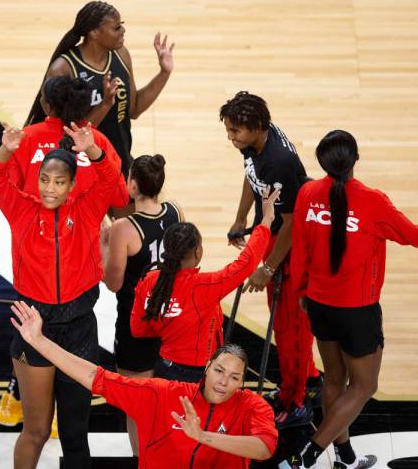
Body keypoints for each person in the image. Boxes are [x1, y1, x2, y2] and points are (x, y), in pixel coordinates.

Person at [0, 75, 128, 430]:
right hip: (79, 256)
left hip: (34, 242)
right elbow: (118, 197)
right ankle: (55, 410)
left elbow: (1, 179)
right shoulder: (94, 140)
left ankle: (21, 392)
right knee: (73, 331)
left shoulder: (28, 137)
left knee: (30, 327)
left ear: (46, 105)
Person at [280, 130, 418, 469]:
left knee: (333, 379)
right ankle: (307, 455)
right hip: (357, 312)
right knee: (364, 385)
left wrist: (300, 293)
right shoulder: (372, 201)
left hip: (317, 305)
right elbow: (412, 236)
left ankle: (345, 457)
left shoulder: (307, 194)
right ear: (355, 160)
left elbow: (298, 253)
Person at [11, 300, 278, 469]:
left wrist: (203, 437)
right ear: (207, 368)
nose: (224, 382)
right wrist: (39, 342)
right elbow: (97, 378)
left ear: (243, 382)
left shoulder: (252, 406)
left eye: (234, 377)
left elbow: (264, 448)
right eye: (220, 370)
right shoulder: (162, 394)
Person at [221, 91, 322, 429]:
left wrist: (267, 267)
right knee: (285, 321)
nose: (231, 138)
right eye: (229, 131)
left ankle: (293, 401)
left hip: (292, 241)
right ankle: (307, 376)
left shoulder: (278, 160)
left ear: (257, 126)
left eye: (236, 131)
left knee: (289, 327)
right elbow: (253, 179)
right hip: (277, 231)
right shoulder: (254, 142)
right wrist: (241, 218)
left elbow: (293, 224)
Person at [131, 188, 279, 385]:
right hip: (199, 376)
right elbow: (247, 262)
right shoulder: (206, 286)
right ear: (198, 252)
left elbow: (138, 329)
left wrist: (172, 323)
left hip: (164, 371)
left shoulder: (148, 281)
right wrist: (266, 220)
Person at [25, 0, 174, 180]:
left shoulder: (122, 55)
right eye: (116, 28)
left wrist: (164, 73)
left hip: (118, 160)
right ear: (94, 33)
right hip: (79, 168)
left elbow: (134, 109)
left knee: (130, 208)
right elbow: (62, 135)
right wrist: (104, 104)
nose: (123, 31)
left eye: (122, 26)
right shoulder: (64, 69)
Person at [99, 153, 183, 456]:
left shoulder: (124, 227)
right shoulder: (175, 211)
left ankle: (144, 461)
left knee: (137, 406)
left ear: (132, 186)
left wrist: (104, 244)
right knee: (170, 399)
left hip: (137, 324)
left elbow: (113, 283)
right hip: (172, 320)